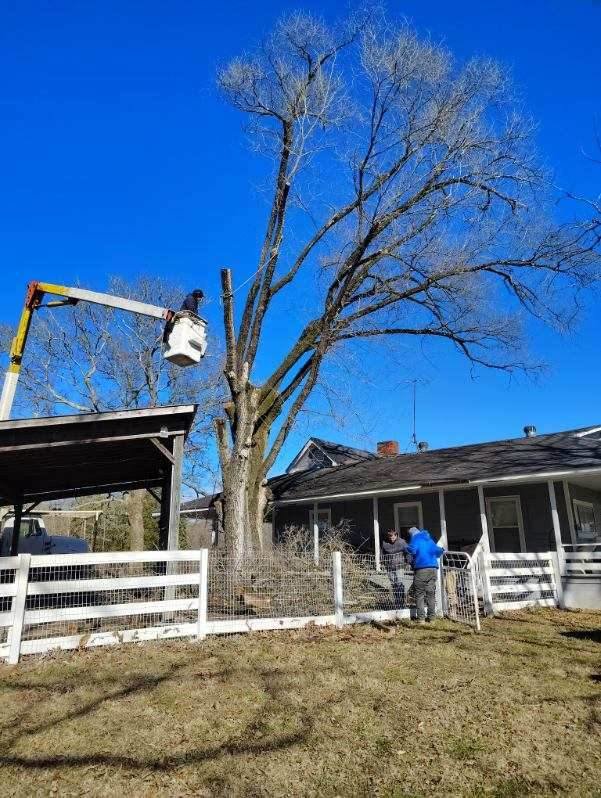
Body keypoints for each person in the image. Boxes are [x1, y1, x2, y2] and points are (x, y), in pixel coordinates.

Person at [407, 526, 444, 624]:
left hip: (421, 569)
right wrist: (442, 550)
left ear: (412, 534)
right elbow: (438, 551)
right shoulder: (429, 539)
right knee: (430, 594)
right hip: (433, 569)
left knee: (419, 594)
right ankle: (432, 619)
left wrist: (406, 547)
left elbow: (412, 550)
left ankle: (421, 619)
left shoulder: (415, 539)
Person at [381, 528, 408, 609]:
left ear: (396, 535)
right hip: (389, 566)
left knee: (399, 583)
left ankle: (401, 603)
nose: (391, 538)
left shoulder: (402, 542)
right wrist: (382, 561)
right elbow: (382, 553)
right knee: (394, 584)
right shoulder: (385, 543)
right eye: (389, 537)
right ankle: (397, 602)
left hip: (399, 565)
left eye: (392, 536)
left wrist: (408, 561)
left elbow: (408, 551)